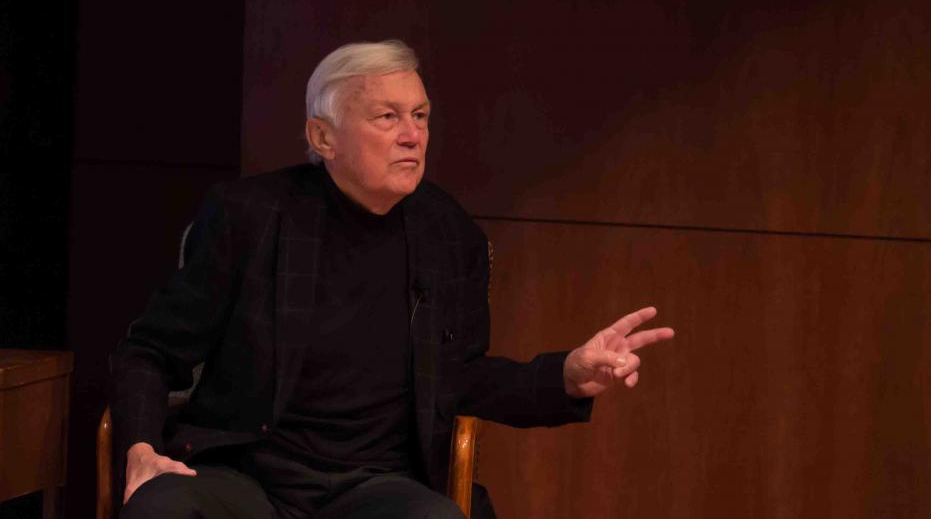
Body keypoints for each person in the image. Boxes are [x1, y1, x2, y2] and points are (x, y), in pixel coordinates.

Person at [111, 39, 674, 519]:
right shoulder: (250, 216)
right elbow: (150, 351)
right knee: (162, 508)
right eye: (388, 117)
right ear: (323, 137)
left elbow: (463, 379)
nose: (413, 135)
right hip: (244, 471)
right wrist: (140, 449)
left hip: (372, 484)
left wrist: (567, 376)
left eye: (421, 116)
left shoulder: (450, 235)